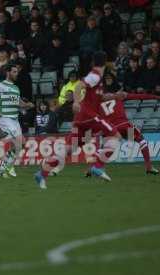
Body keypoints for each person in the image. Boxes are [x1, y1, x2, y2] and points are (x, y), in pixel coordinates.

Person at [35, 52, 123, 189]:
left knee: (69, 149)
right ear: (105, 62)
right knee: (116, 136)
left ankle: (42, 173)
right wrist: (76, 102)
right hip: (88, 116)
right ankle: (98, 166)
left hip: (81, 119)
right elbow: (78, 86)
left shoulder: (98, 79)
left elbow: (100, 98)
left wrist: (115, 96)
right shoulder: (95, 75)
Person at [97, 90, 160, 175]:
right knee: (141, 140)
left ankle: (95, 168)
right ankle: (149, 167)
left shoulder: (97, 103)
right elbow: (139, 96)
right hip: (124, 126)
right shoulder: (119, 96)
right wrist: (157, 97)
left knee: (107, 148)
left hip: (111, 129)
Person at [0, 64, 34, 178]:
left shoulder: (16, 88)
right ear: (8, 73)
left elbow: (19, 104)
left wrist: (27, 105)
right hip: (5, 118)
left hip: (15, 119)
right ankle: (6, 165)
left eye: (17, 72)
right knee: (19, 140)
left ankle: (3, 168)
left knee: (20, 144)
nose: (16, 74)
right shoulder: (1, 85)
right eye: (14, 72)